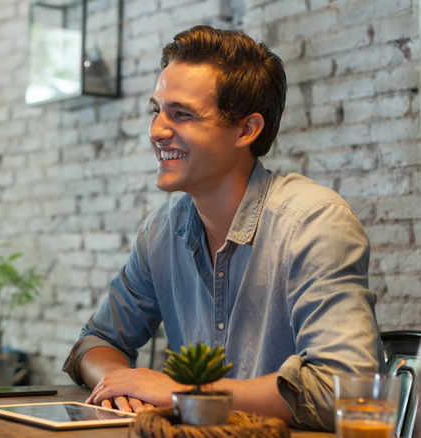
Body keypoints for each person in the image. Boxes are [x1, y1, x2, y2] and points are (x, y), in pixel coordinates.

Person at [63, 24, 383, 431]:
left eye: (181, 114)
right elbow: (96, 341)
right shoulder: (161, 232)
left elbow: (342, 387)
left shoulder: (314, 224)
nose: (156, 130)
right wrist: (119, 383)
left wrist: (186, 394)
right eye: (156, 110)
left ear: (247, 130)